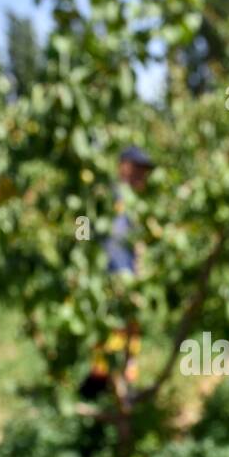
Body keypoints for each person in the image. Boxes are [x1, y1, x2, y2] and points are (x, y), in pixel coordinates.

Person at [80, 146, 154, 401]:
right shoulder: (106, 199)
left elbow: (138, 245)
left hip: (129, 282)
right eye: (138, 171)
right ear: (123, 167)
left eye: (144, 173)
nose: (142, 178)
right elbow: (86, 229)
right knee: (109, 335)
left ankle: (121, 385)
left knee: (130, 336)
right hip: (107, 280)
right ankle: (101, 383)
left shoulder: (136, 205)